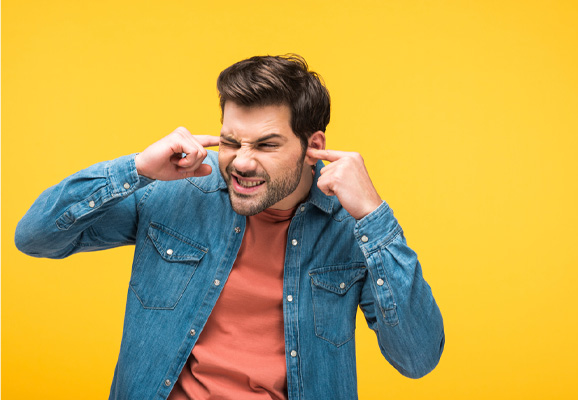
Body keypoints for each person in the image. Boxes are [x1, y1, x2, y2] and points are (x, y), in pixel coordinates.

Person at [15, 54, 444, 400]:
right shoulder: (174, 194)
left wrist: (374, 217)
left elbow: (417, 357)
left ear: (314, 147)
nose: (240, 161)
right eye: (231, 141)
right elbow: (35, 236)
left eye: (266, 144)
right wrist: (135, 169)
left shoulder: (354, 233)